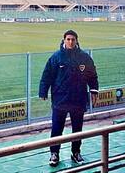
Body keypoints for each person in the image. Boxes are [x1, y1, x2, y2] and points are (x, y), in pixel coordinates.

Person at [39, 29, 99, 167]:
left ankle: (76, 152)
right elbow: (47, 75)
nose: (71, 42)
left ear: (77, 41)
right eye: (68, 39)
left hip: (78, 99)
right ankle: (54, 153)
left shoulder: (84, 57)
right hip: (60, 99)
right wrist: (43, 91)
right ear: (64, 40)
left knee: (77, 129)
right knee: (56, 128)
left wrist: (94, 90)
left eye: (73, 39)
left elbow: (92, 75)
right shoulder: (56, 57)